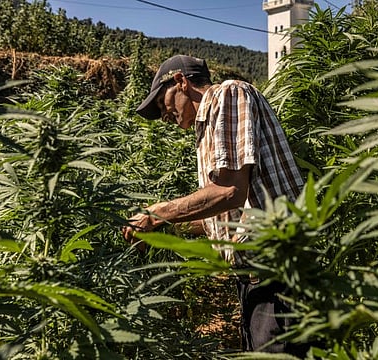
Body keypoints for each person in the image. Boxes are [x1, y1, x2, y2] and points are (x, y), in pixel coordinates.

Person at [122, 55, 304, 353]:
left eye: (162, 103)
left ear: (181, 82)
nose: (164, 115)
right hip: (255, 278)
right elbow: (224, 214)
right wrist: (162, 228)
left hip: (278, 272)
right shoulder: (205, 126)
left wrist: (157, 212)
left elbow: (230, 190)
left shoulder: (228, 94)